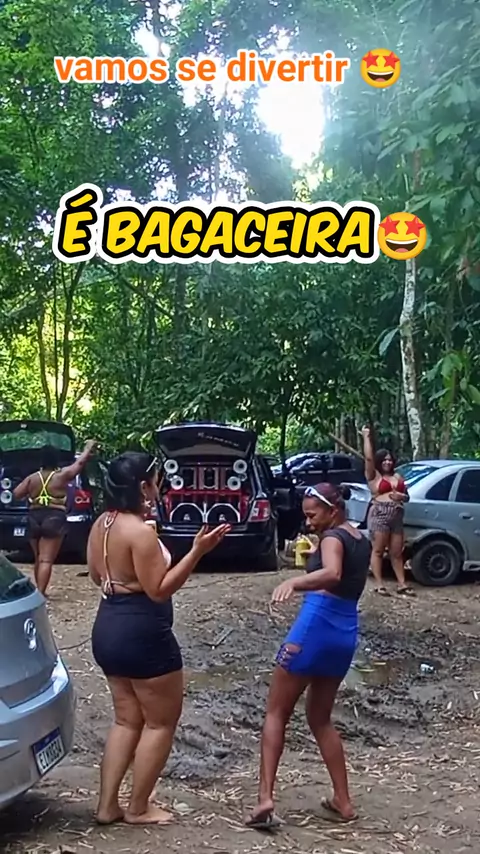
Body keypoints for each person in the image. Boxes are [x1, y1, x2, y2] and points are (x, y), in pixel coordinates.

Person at [87, 451, 231, 827]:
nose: (159, 487)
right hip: (143, 635)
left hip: (108, 627)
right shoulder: (140, 532)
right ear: (142, 486)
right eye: (156, 480)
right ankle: (138, 808)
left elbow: (96, 574)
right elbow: (159, 589)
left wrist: (124, 582)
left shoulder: (103, 523)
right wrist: (197, 552)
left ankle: (107, 805)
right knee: (159, 723)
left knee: (126, 720)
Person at [246, 482, 371, 829]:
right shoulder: (359, 538)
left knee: (276, 712)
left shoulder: (332, 538)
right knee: (320, 718)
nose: (309, 521)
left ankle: (265, 798)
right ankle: (343, 800)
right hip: (344, 633)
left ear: (334, 510)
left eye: (313, 515)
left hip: (314, 627)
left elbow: (332, 573)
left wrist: (294, 583)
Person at [13, 439, 96, 595]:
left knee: (38, 557)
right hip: (54, 517)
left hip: (34, 517)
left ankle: (37, 592)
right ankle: (41, 592)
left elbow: (16, 494)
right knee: (46, 559)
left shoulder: (32, 478)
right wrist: (87, 449)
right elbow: (78, 464)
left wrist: (33, 494)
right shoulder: (61, 476)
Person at [361, 426, 413, 596]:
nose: (388, 462)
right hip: (380, 514)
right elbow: (368, 458)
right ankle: (379, 584)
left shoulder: (397, 477)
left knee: (396, 552)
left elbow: (407, 497)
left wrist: (402, 497)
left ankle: (402, 584)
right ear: (379, 461)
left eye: (390, 460)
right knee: (378, 550)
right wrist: (366, 437)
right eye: (384, 460)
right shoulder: (373, 476)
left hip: (397, 515)